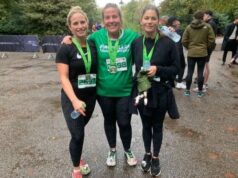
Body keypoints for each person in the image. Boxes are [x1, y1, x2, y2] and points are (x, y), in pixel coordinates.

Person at [131, 5, 180, 176]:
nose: (149, 21)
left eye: (153, 18)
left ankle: (156, 157)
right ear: (141, 21)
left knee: (157, 126)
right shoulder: (136, 43)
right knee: (145, 126)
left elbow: (177, 68)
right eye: (146, 18)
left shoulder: (168, 43)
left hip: (160, 92)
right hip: (143, 90)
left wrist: (158, 69)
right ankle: (147, 153)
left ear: (158, 21)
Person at [55, 6, 97, 178]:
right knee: (78, 134)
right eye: (75, 23)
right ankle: (76, 168)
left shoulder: (93, 43)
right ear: (70, 27)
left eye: (82, 22)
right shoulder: (66, 48)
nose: (79, 26)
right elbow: (63, 78)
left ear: (87, 23)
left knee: (79, 130)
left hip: (90, 97)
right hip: (72, 98)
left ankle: (78, 156)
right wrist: (74, 100)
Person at [182, 10, 215, 97]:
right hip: (202, 53)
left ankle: (187, 91)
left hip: (191, 53)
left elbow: (183, 40)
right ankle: (200, 92)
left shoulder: (189, 27)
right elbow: (212, 40)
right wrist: (206, 48)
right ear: (202, 17)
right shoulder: (207, 26)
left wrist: (190, 47)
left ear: (194, 17)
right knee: (200, 73)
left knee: (190, 72)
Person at [167, 16, 186, 89]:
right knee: (182, 66)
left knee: (172, 66)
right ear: (173, 22)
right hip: (178, 52)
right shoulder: (178, 31)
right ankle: (179, 82)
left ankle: (172, 81)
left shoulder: (166, 29)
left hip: (170, 52)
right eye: (177, 21)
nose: (178, 22)